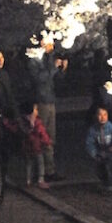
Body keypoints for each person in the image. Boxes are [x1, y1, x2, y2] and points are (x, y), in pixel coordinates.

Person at [26, 33, 67, 182]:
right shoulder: (34, 59)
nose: (52, 46)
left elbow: (55, 80)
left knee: (50, 136)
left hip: (50, 100)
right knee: (41, 135)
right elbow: (39, 79)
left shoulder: (48, 58)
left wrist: (62, 69)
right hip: (41, 101)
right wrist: (54, 67)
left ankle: (49, 169)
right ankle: (42, 170)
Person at [85, 106, 112, 191]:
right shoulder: (93, 130)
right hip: (99, 152)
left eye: (105, 115)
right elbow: (89, 143)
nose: (102, 117)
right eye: (100, 115)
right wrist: (94, 153)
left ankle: (110, 184)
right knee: (100, 169)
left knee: (110, 167)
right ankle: (104, 182)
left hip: (110, 151)